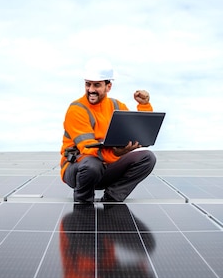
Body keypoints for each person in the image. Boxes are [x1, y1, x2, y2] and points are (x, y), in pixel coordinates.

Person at [60, 58, 157, 203]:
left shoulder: (117, 105)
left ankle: (112, 198)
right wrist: (116, 153)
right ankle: (83, 203)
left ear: (108, 86)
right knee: (92, 164)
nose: (91, 89)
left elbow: (140, 132)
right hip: (78, 169)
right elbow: (88, 149)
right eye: (88, 84)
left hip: (106, 167)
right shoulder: (77, 109)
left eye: (97, 85)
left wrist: (144, 106)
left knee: (147, 158)